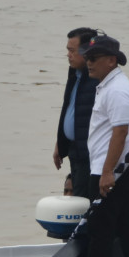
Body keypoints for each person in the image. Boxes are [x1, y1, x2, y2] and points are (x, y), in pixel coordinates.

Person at [79, 34, 129, 257]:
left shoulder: (118, 90)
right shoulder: (108, 85)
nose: (88, 62)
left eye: (94, 58)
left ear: (111, 60)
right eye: (87, 57)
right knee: (124, 222)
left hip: (115, 170)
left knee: (101, 228)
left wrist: (107, 172)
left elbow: (120, 132)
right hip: (115, 167)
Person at [51, 27, 99, 197]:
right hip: (74, 150)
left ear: (86, 51)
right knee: (77, 199)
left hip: (89, 155)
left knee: (84, 201)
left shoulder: (96, 80)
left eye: (72, 50)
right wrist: (60, 142)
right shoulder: (74, 74)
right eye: (67, 50)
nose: (68, 55)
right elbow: (69, 109)